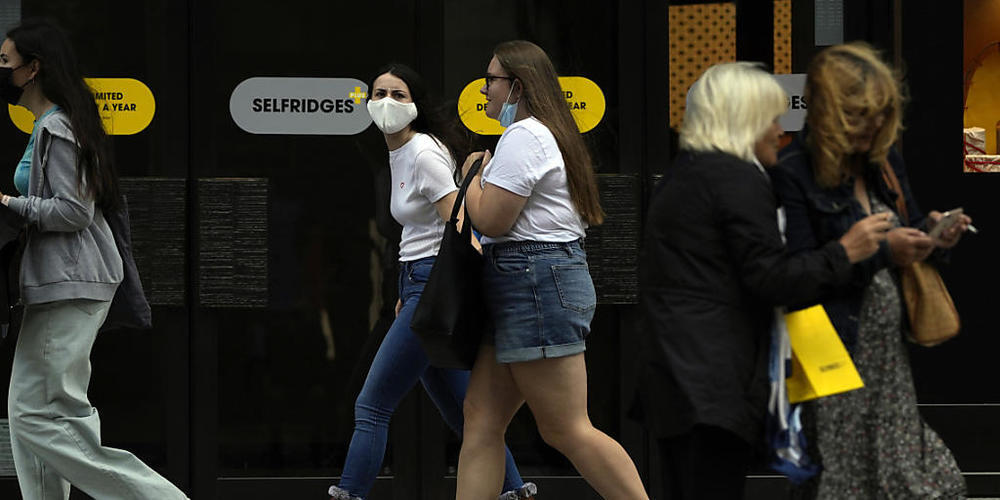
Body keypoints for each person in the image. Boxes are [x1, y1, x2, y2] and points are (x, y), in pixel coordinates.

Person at [630, 62, 892, 499]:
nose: (779, 132)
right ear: (746, 119)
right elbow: (770, 277)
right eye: (772, 118)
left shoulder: (688, 172)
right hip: (711, 383)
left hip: (679, 377)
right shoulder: (736, 179)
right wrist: (844, 251)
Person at [328, 63, 536, 500]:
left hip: (431, 286)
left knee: (372, 406)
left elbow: (459, 224)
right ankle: (515, 492)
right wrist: (406, 292)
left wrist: (440, 295)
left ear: (415, 105)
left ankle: (349, 494)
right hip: (416, 286)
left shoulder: (422, 152)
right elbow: (415, 231)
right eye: (379, 93)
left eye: (398, 95)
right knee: (468, 417)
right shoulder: (397, 152)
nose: (386, 103)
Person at [0, 18, 189, 500]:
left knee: (37, 414)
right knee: (44, 412)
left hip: (71, 282)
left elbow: (72, 211)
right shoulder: (53, 123)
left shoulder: (59, 127)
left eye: (6, 62)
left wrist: (7, 204)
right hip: (63, 283)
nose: (1, 69)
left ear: (33, 68)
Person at [771, 42, 969, 498]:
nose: (876, 124)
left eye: (882, 112)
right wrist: (878, 252)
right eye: (861, 113)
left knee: (917, 478)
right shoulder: (793, 173)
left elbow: (908, 228)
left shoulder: (883, 163)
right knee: (842, 479)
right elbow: (792, 277)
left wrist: (934, 235)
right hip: (827, 344)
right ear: (830, 112)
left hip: (885, 351)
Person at [455, 40, 648, 500]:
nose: (484, 92)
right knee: (481, 418)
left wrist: (473, 175)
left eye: (491, 82)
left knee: (566, 429)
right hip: (525, 281)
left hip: (533, 282)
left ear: (517, 86)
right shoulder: (543, 133)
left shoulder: (525, 136)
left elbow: (491, 219)